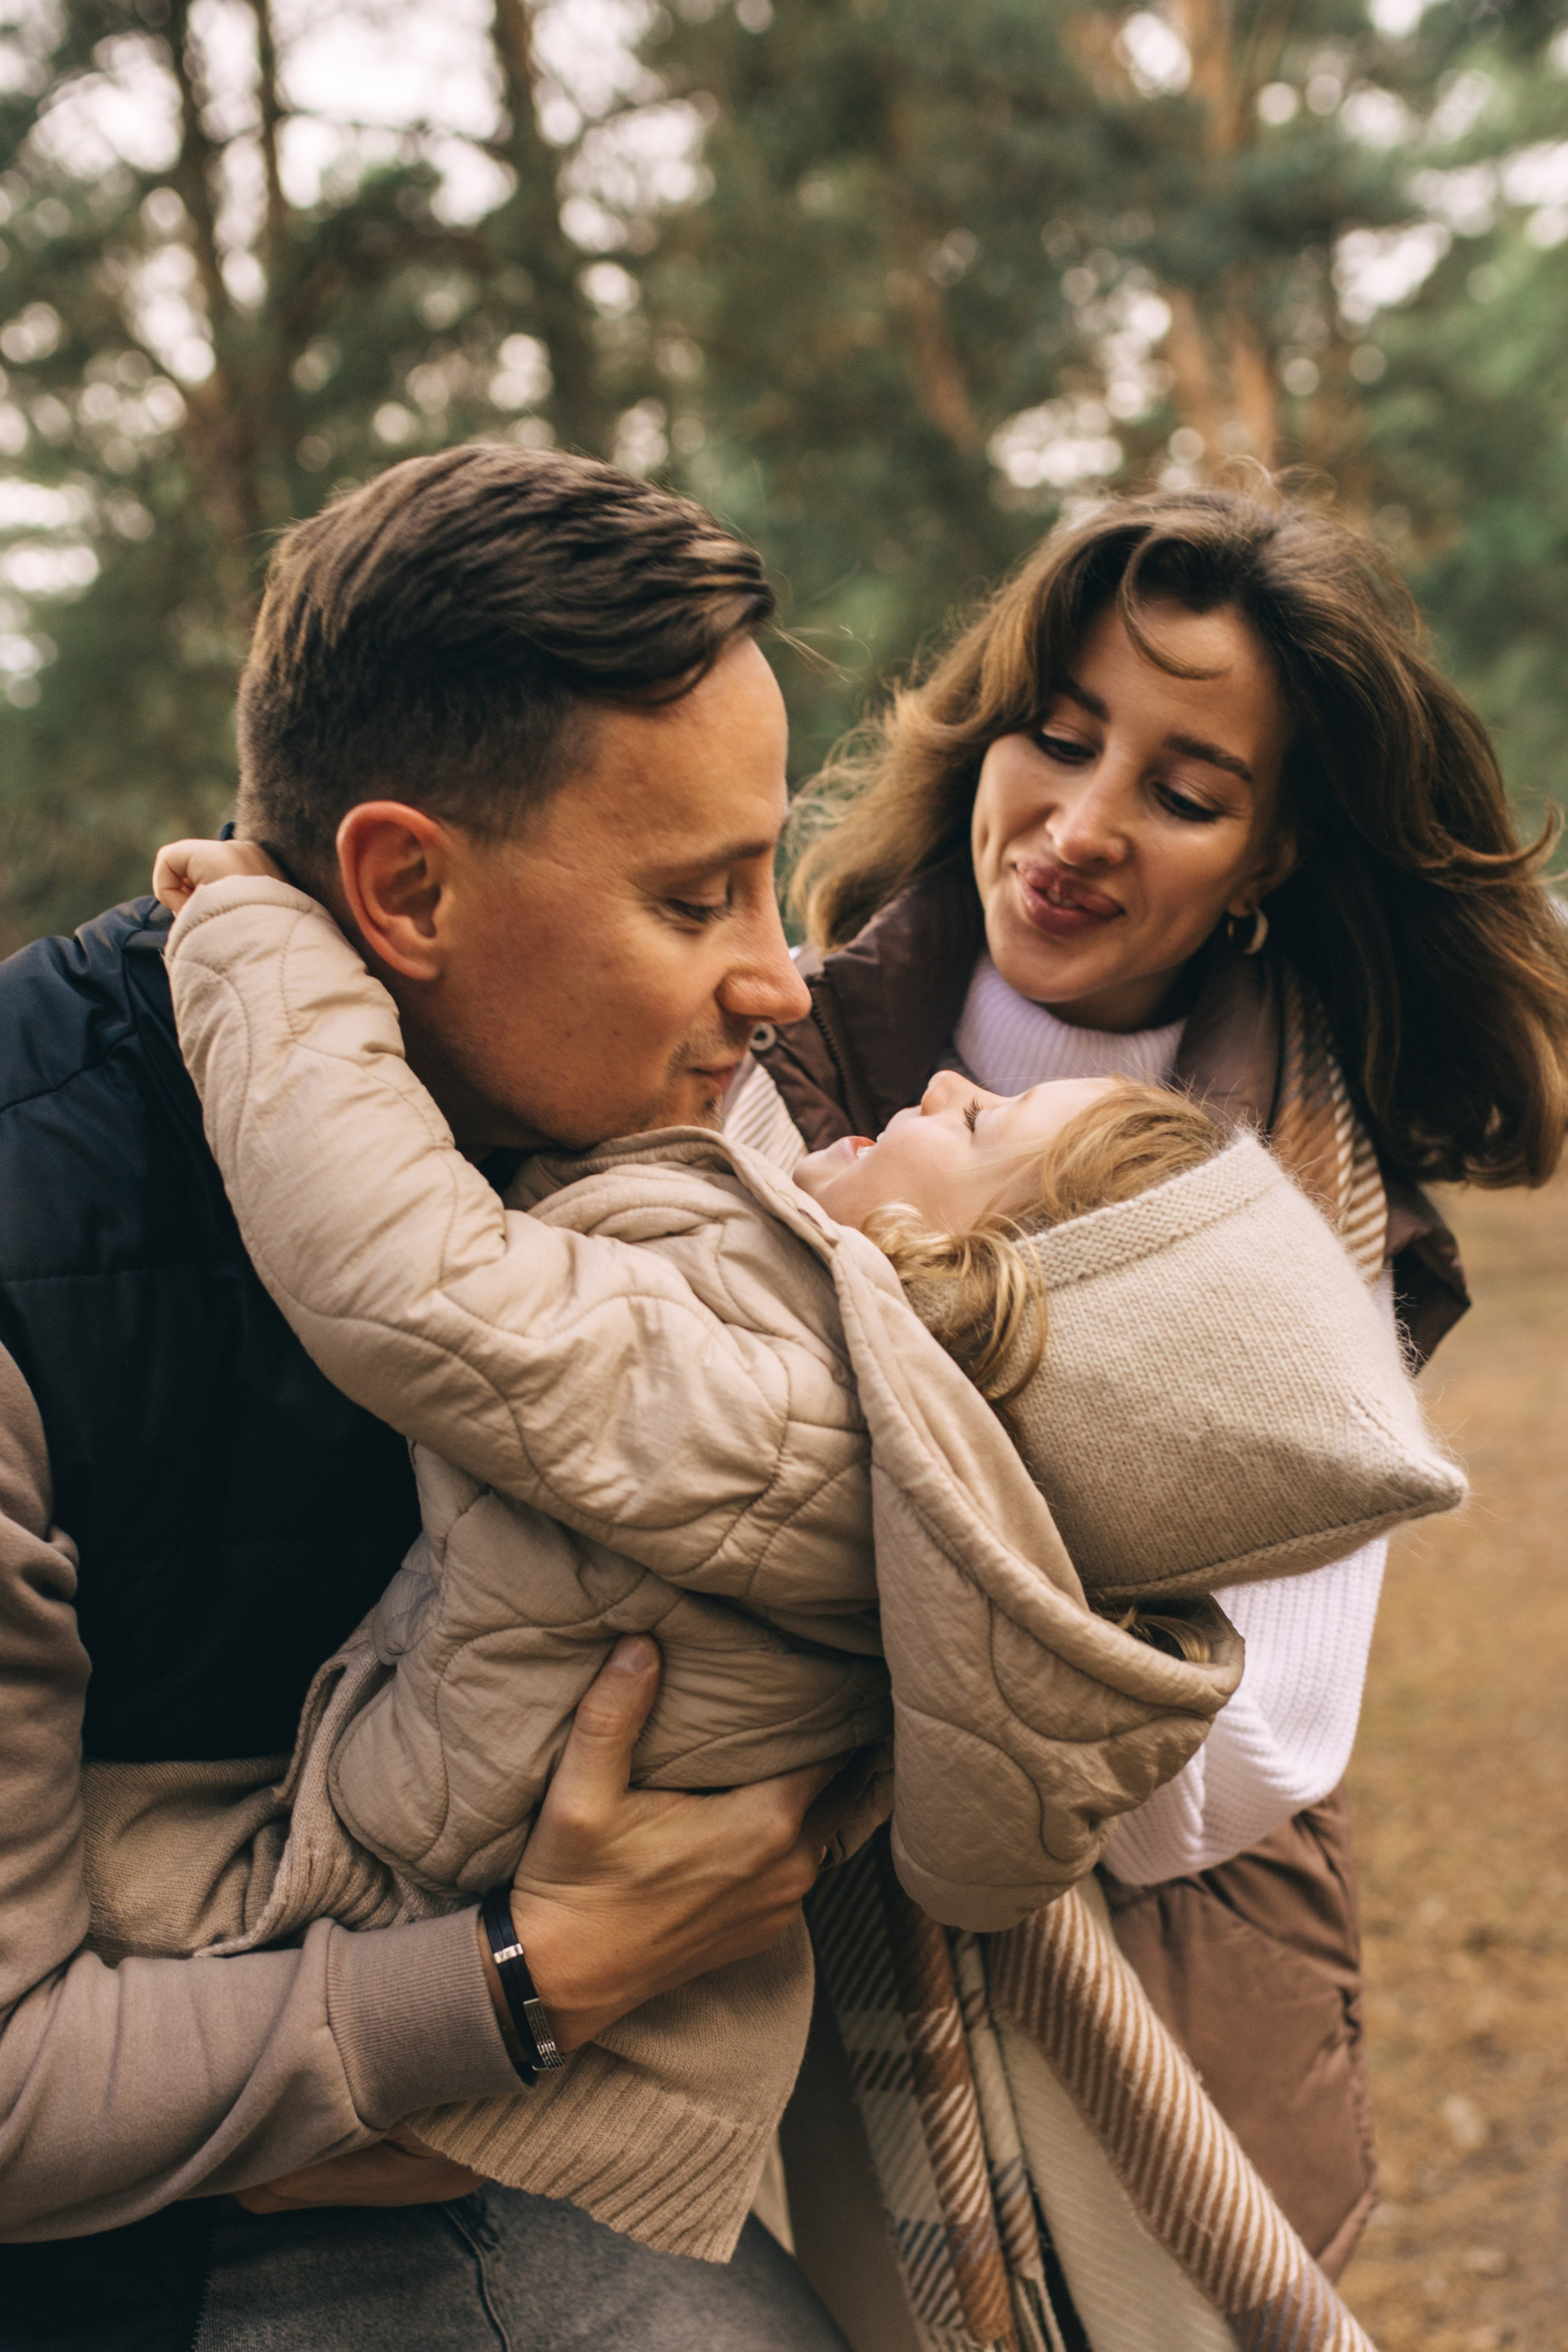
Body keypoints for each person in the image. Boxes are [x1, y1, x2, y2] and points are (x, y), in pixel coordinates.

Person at [0, 443, 870, 2352]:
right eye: (698, 895)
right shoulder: (26, 1252)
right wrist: (526, 1977)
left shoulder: (619, 1137)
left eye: (773, 878)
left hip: (501, 2156)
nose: (776, 983)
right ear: (402, 887)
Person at [733, 483, 1568, 2277]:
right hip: (761, 1994)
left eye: (1187, 794)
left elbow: (1254, 1742)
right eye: (1059, 738)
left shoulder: (1318, 1211)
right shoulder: (752, 1058)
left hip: (1181, 2003)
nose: (1081, 826)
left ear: (1271, 857)